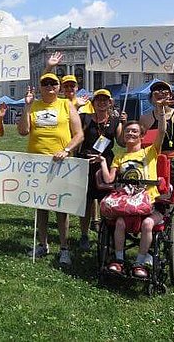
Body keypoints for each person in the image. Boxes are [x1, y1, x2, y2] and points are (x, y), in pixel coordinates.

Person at [17, 73, 84, 265]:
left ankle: (64, 248)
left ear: (59, 87)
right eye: (45, 83)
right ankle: (43, 243)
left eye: (53, 83)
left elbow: (79, 134)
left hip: (60, 164)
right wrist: (27, 106)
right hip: (37, 164)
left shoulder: (66, 105)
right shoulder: (34, 106)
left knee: (61, 208)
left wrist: (66, 150)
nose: (49, 86)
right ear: (40, 87)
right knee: (41, 207)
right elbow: (23, 131)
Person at [95, 106, 167, 278]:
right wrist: (103, 162)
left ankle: (140, 263)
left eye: (135, 132)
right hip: (127, 203)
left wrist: (162, 111)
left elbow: (162, 131)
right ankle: (119, 260)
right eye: (128, 132)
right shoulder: (120, 157)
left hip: (149, 202)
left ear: (142, 136)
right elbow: (110, 179)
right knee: (119, 223)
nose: (131, 134)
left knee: (148, 224)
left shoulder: (150, 152)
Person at [75, 89, 125, 251]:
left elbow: (122, 142)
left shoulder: (115, 121)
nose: (102, 103)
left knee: (106, 201)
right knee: (86, 202)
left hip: (105, 164)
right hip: (87, 162)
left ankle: (105, 233)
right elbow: (75, 134)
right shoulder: (86, 118)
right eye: (98, 100)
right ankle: (84, 235)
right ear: (93, 102)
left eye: (105, 100)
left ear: (110, 102)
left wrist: (124, 123)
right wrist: (75, 108)